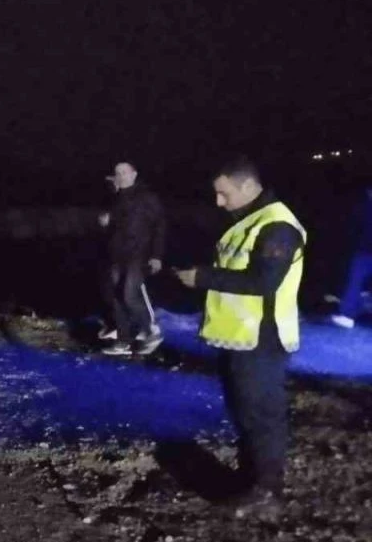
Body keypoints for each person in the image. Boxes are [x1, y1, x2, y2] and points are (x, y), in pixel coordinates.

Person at [174, 157, 306, 516]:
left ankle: (267, 491)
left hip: (262, 338)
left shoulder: (277, 225)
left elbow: (264, 282)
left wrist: (203, 278)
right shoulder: (249, 221)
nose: (219, 202)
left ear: (247, 186)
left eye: (224, 193)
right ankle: (251, 480)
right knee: (245, 411)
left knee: (262, 415)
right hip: (240, 337)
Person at [98, 161, 166, 355]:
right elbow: (113, 225)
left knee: (130, 294)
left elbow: (160, 225)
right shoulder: (115, 198)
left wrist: (157, 255)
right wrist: (106, 223)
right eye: (117, 172)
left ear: (134, 174)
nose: (121, 175)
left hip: (139, 254)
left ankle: (151, 331)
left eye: (125, 172)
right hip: (116, 255)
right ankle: (123, 341)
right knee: (117, 296)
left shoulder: (146, 197)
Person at [329, 187, 372, 328]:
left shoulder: (364, 206)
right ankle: (350, 312)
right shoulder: (364, 206)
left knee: (355, 281)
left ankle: (348, 315)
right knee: (355, 282)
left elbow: (354, 228)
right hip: (364, 250)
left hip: (364, 251)